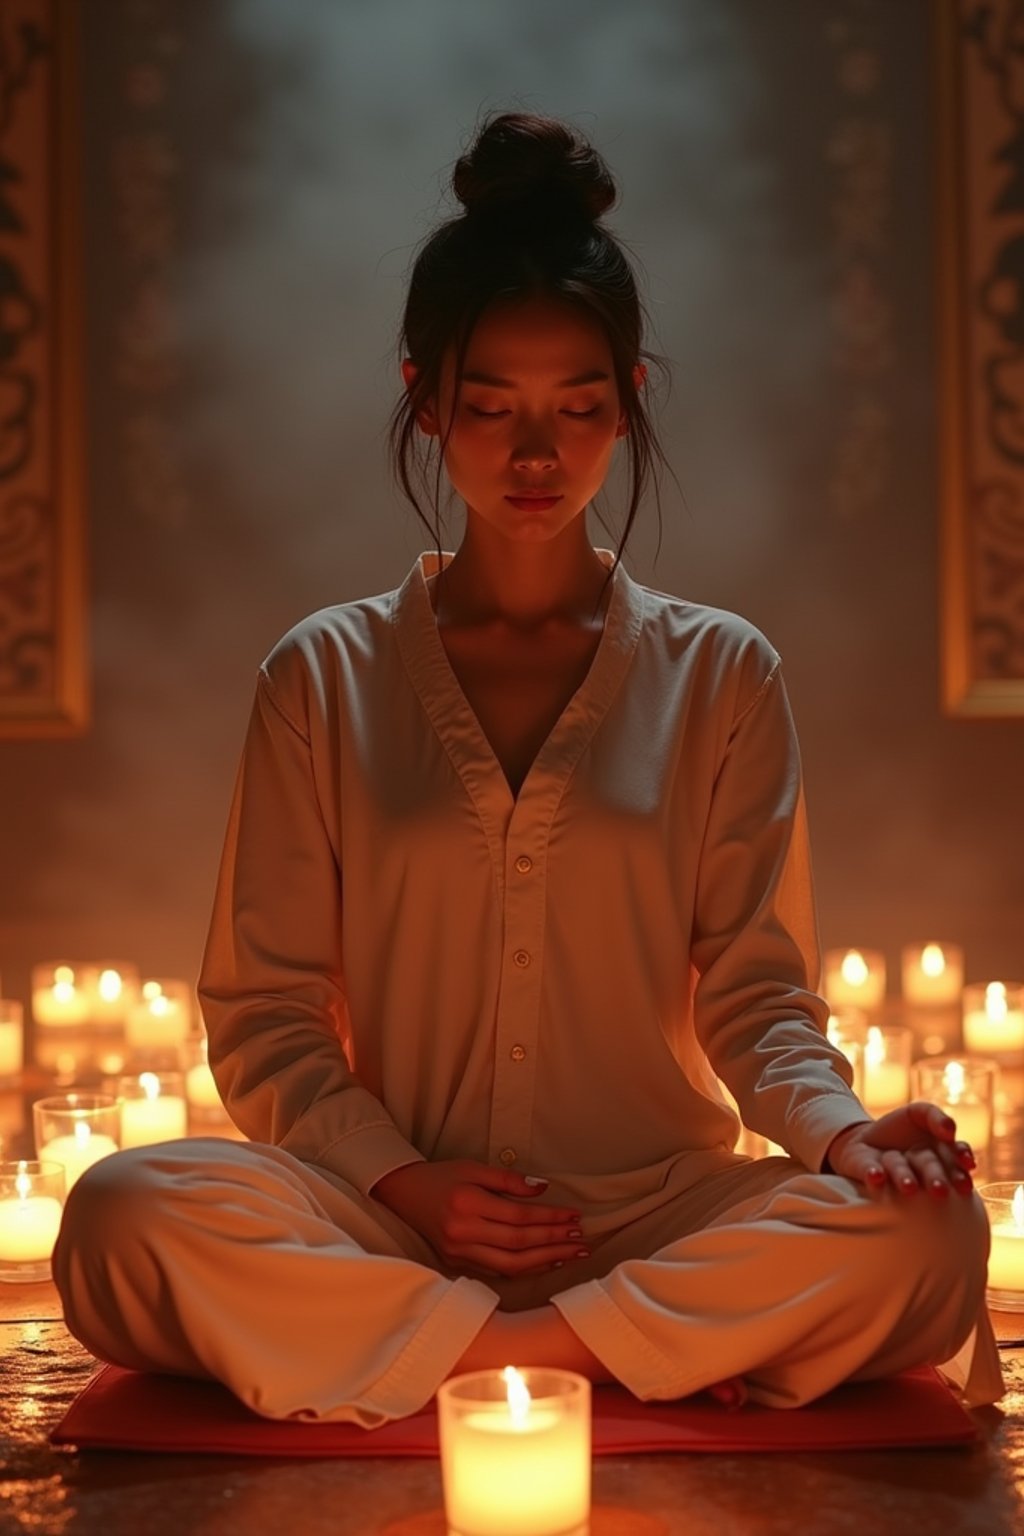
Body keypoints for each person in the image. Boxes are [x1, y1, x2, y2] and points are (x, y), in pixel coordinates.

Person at [53, 110, 1003, 1425]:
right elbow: (267, 1014)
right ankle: (615, 1355)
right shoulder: (320, 678)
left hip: (658, 1217)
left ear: (631, 401)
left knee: (932, 1243)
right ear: (427, 399)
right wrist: (407, 1184)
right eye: (492, 407)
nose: (537, 455)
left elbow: (755, 997)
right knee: (119, 1217)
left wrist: (845, 1135)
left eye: (579, 408)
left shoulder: (724, 675)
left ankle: (493, 1354)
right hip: (394, 1218)